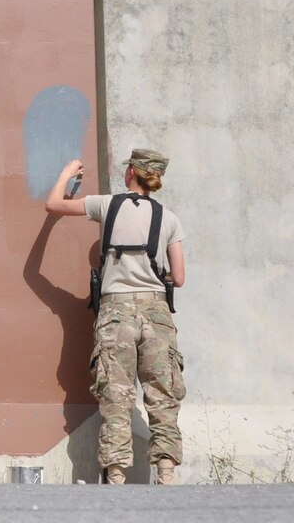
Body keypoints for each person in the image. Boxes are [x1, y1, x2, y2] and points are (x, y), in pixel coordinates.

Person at [45, 150, 188, 485]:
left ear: (130, 174)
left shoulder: (107, 205)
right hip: (156, 312)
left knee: (115, 394)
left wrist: (67, 172)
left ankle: (116, 474)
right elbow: (179, 277)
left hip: (115, 311)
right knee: (162, 393)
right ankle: (166, 473)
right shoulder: (169, 217)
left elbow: (53, 205)